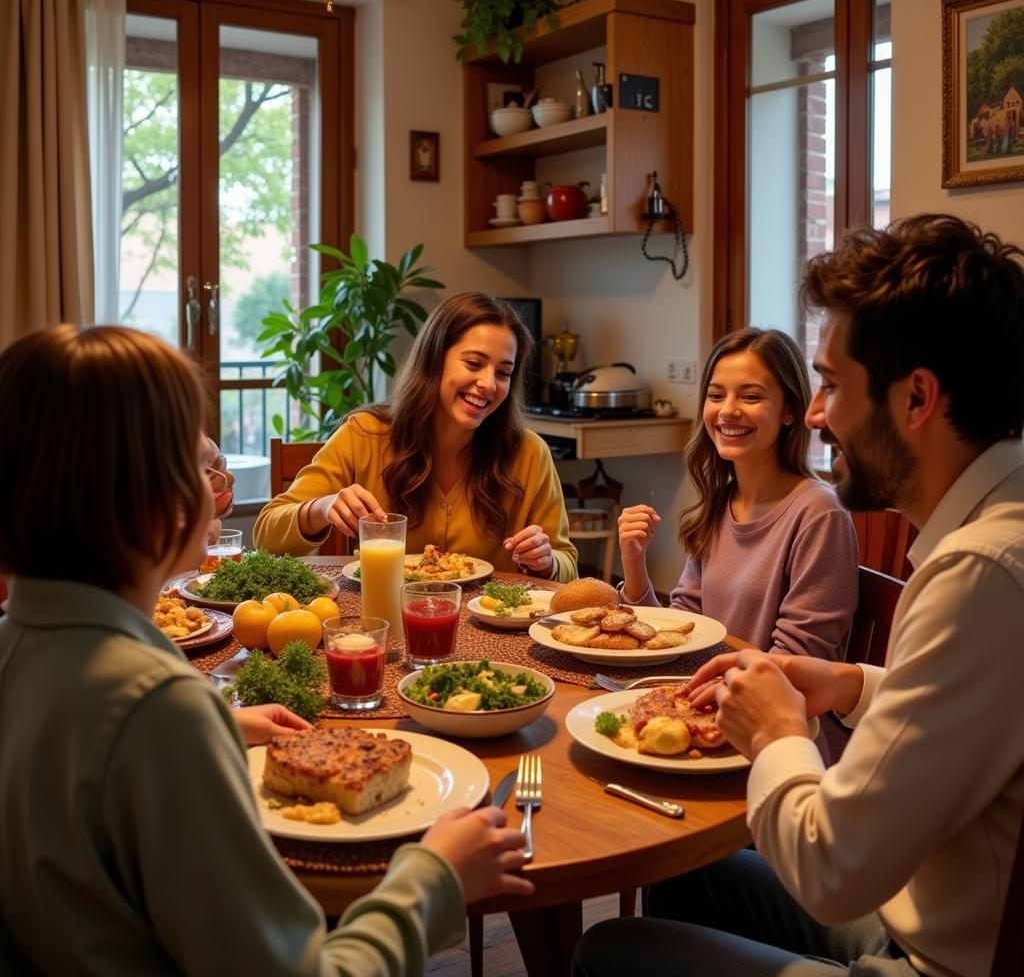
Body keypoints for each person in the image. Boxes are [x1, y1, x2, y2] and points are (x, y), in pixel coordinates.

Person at [0, 325, 533, 975]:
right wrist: (436, 875)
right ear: (151, 499)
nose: (219, 487)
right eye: (203, 466)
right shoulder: (159, 710)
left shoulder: (20, 644)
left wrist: (217, 721)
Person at [574, 213, 1024, 977]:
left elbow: (832, 869)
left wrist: (781, 730)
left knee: (610, 950)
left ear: (917, 399)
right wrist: (852, 683)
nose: (818, 415)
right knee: (683, 872)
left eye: (830, 384)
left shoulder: (980, 572)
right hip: (915, 905)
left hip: (920, 955)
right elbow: (980, 716)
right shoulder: (993, 536)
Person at [255, 291, 578, 581]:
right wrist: (322, 508)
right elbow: (266, 536)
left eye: (503, 373)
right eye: (473, 363)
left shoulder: (530, 452)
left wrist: (547, 561)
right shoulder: (364, 434)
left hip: (492, 628)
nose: (489, 384)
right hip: (385, 620)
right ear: (434, 360)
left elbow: (567, 565)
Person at [617, 327, 858, 659]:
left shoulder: (820, 513)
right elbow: (681, 628)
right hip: (707, 691)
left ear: (790, 410)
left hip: (775, 704)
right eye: (716, 396)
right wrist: (633, 562)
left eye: (751, 396)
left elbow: (798, 657)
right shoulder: (721, 501)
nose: (728, 410)